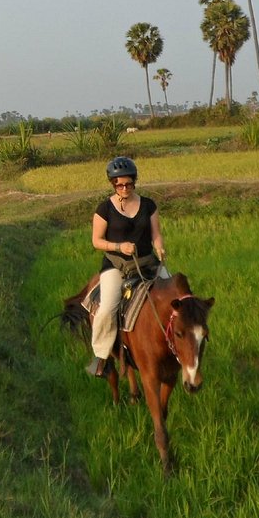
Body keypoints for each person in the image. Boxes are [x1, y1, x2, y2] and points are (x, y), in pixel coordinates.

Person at [87, 156, 170, 378]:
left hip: (147, 262)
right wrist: (119, 246)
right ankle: (101, 356)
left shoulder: (148, 205)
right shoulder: (104, 208)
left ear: (135, 181)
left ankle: (177, 345)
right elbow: (97, 241)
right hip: (117, 265)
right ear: (113, 184)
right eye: (119, 184)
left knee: (174, 297)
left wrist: (160, 247)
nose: (124, 188)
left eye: (128, 183)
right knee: (107, 309)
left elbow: (156, 235)